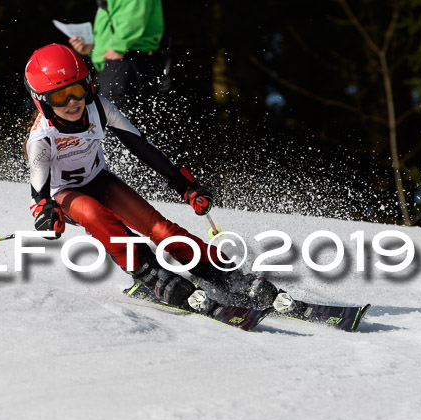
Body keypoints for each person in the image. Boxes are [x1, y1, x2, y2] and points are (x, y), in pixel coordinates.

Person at [23, 43, 283, 313]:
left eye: (77, 90)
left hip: (100, 182)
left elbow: (142, 147)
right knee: (96, 216)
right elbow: (39, 194)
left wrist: (185, 185)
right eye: (59, 97)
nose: (72, 102)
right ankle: (149, 273)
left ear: (88, 84)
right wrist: (45, 214)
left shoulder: (99, 109)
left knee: (161, 229)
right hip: (66, 195)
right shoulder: (41, 139)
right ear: (40, 100)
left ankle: (228, 276)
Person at [68, 0, 167, 108]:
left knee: (119, 118)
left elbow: (133, 18)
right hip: (117, 63)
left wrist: (118, 48)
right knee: (117, 118)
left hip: (127, 61)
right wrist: (92, 49)